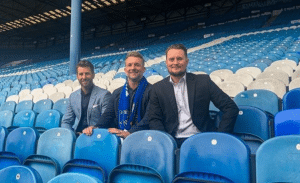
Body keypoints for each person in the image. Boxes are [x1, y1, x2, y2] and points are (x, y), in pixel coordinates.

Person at [148, 44, 239, 147]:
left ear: (186, 61)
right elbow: (154, 119)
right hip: (173, 141)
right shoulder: (157, 88)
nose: (175, 63)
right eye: (171, 59)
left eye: (179, 59)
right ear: (166, 63)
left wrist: (220, 135)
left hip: (202, 138)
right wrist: (165, 141)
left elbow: (230, 107)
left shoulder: (203, 81)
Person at [83, 51, 151, 138]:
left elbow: (149, 118)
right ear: (125, 70)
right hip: (120, 137)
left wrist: (130, 133)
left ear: (143, 69)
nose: (133, 68)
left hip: (143, 137)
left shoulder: (152, 91)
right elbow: (108, 114)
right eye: (129, 65)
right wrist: (96, 126)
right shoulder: (117, 93)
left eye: (137, 65)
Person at [61, 60, 111, 135]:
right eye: (81, 74)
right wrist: (70, 136)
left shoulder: (104, 95)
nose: (84, 77)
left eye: (87, 74)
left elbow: (107, 120)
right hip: (78, 135)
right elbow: (66, 121)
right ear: (77, 76)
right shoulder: (73, 96)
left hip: (96, 134)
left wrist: (94, 129)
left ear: (93, 75)